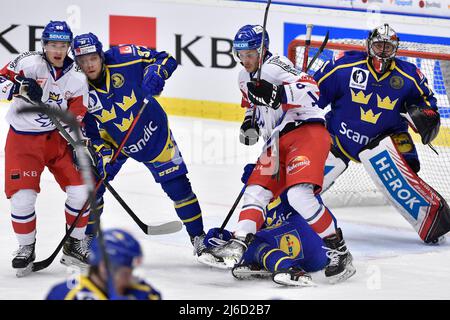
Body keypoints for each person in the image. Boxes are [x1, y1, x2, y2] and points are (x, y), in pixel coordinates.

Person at [198, 25, 355, 284]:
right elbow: (251, 103)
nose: (245, 60)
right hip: (275, 141)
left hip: (305, 130)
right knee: (255, 191)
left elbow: (312, 90)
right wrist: (250, 122)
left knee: (298, 195)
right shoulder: (242, 77)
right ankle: (238, 244)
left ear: (262, 50)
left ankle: (339, 251)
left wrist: (278, 93)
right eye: (241, 54)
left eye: (250, 54)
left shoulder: (275, 66)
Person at [70, 33, 207, 257]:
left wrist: (156, 72)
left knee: (178, 186)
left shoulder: (126, 58)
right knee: (93, 186)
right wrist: (101, 154)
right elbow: (88, 129)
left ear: (101, 55)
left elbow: (166, 59)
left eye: (92, 58)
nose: (89, 65)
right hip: (113, 138)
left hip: (152, 131)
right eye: (83, 61)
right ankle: (86, 240)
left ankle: (199, 238)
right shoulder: (76, 85)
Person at [314, 23, 450, 244]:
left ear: (395, 49)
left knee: (409, 172)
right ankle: (286, 213)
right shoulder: (344, 66)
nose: (383, 51)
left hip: (386, 139)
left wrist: (423, 115)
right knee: (306, 182)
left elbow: (429, 104)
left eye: (388, 47)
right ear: (369, 45)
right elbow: (312, 93)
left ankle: (433, 222)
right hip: (338, 138)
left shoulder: (409, 75)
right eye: (379, 45)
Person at [0, 21, 91, 276]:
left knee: (81, 190)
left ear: (69, 47)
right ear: (44, 45)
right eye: (53, 45)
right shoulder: (28, 63)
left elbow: (77, 114)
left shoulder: (77, 77)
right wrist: (17, 88)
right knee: (22, 199)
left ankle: (74, 245)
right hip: (23, 141)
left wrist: (77, 144)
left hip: (57, 139)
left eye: (63, 45)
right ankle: (26, 247)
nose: (58, 50)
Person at [46, 228, 161, 300]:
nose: (129, 277)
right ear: (104, 267)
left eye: (131, 271)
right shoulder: (67, 294)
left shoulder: (143, 292)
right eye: (125, 272)